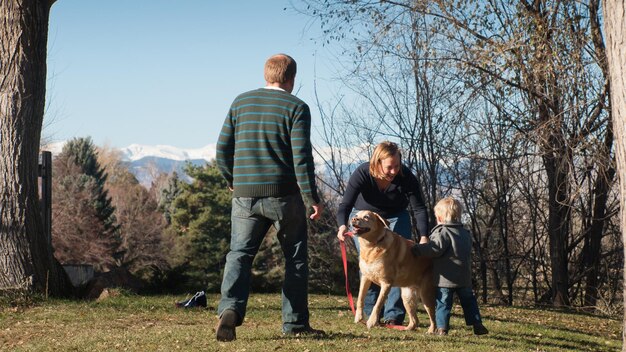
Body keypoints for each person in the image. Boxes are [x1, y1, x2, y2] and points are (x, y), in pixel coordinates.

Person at [215, 53, 325, 342]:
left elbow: (222, 150)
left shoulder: (241, 102)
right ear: (291, 78)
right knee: (295, 259)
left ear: (267, 74)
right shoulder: (296, 107)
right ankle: (295, 324)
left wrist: (232, 181)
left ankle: (230, 310)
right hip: (283, 196)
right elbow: (301, 157)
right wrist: (310, 196)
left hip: (245, 196)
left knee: (239, 254)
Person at [336, 141, 429, 326]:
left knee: (395, 266)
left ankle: (393, 316)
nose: (394, 171)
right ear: (377, 162)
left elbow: (419, 208)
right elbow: (345, 204)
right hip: (364, 218)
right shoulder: (362, 173)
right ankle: (371, 315)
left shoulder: (406, 176)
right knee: (370, 267)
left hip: (396, 217)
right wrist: (342, 226)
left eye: (397, 166)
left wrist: (424, 236)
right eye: (389, 167)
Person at [411, 197, 488, 336]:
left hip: (445, 279)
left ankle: (442, 328)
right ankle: (478, 325)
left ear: (439, 217)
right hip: (464, 277)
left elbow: (434, 249)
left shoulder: (442, 232)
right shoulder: (465, 233)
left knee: (443, 303)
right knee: (469, 302)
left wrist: (417, 249)